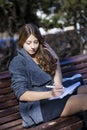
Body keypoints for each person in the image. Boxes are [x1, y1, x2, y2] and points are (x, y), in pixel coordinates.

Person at [9, 23, 87, 129]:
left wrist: (56, 60)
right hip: (39, 107)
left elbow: (57, 82)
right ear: (22, 42)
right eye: (28, 43)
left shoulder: (41, 55)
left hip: (56, 97)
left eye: (35, 42)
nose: (33, 46)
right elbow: (22, 94)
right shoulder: (18, 62)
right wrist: (50, 94)